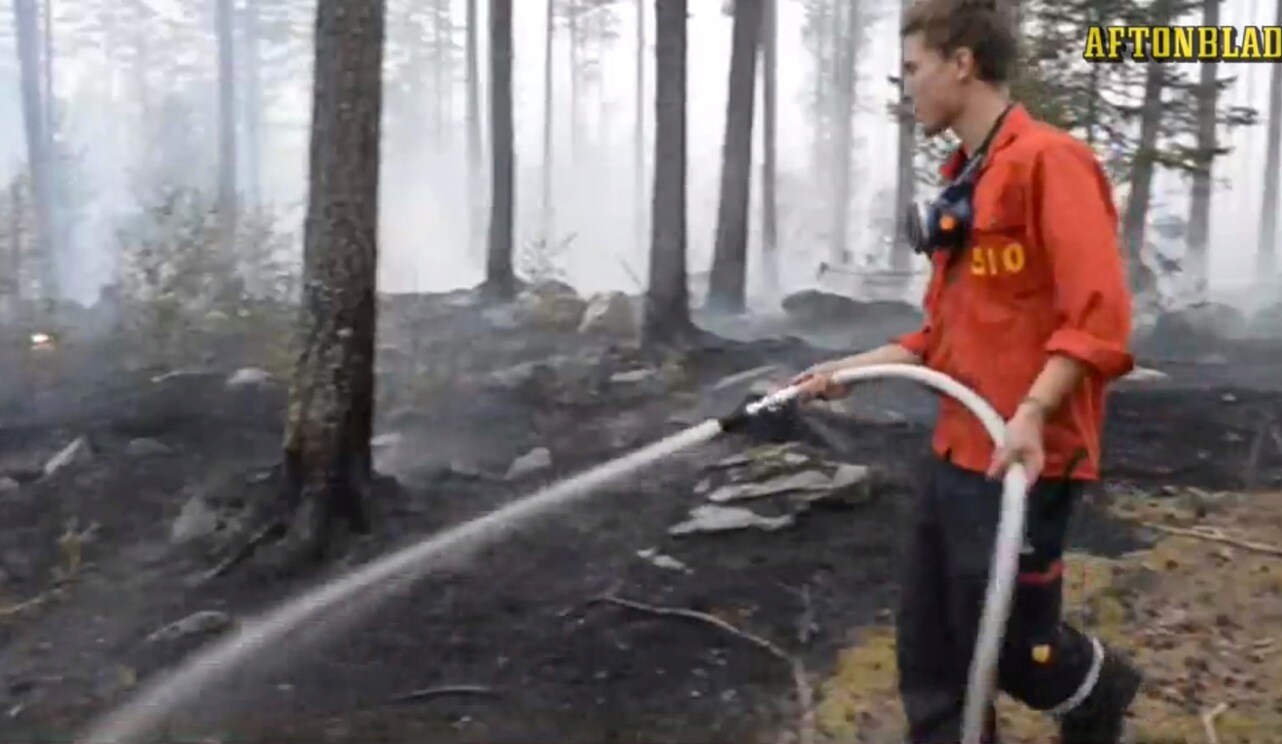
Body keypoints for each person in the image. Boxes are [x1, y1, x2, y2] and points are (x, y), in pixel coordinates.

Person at [788, 0, 1143, 741]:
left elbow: (1100, 317)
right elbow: (939, 341)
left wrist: (1035, 411)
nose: (906, 87)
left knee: (1017, 649)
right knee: (932, 651)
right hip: (956, 451)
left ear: (962, 63)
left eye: (913, 69)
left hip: (1027, 462)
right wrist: (845, 371)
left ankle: (1097, 688)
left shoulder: (1050, 162)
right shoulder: (966, 181)